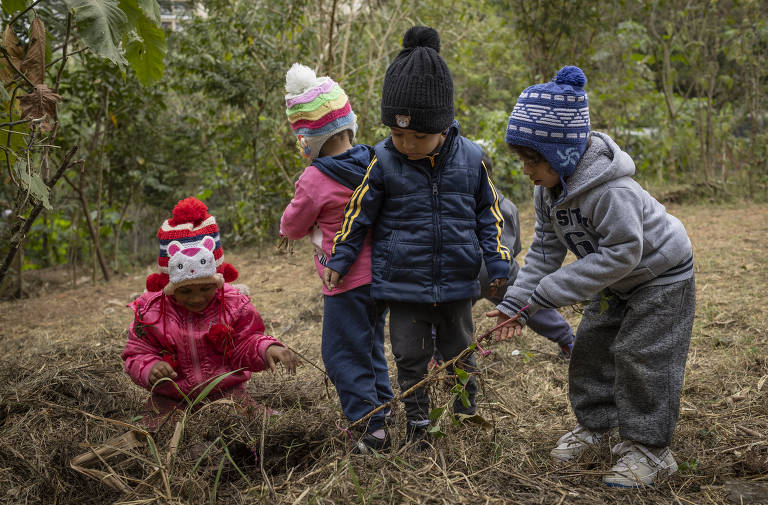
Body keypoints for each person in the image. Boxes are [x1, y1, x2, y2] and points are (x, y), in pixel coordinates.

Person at [487, 66, 695, 487]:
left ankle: (651, 450)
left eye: (534, 160)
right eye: (523, 160)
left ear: (562, 154)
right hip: (615, 281)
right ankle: (596, 426)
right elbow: (546, 251)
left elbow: (622, 252)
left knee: (643, 355)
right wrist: (517, 305)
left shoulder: (611, 192)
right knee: (592, 347)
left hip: (661, 276)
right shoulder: (547, 191)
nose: (527, 170)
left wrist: (545, 294)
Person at [323, 26, 511, 450]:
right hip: (403, 287)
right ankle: (419, 422)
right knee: (408, 357)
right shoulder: (383, 160)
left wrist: (497, 262)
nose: (405, 143)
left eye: (417, 135)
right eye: (397, 132)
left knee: (460, 353)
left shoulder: (472, 159)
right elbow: (358, 213)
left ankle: (465, 412)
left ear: (443, 125)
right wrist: (340, 259)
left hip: (458, 283)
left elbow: (490, 213)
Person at [279, 63, 393, 453]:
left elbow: (293, 225)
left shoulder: (313, 179)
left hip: (345, 283)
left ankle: (369, 427)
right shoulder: (375, 162)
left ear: (306, 139)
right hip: (381, 278)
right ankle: (384, 406)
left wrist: (290, 227)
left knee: (342, 352)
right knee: (371, 343)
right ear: (350, 125)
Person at [123, 197, 299, 429]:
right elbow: (136, 352)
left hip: (227, 395)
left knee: (259, 427)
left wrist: (267, 348)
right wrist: (150, 367)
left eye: (205, 288)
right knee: (157, 433)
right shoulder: (152, 313)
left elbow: (245, 344)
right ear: (169, 285)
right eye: (185, 291)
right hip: (170, 400)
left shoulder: (233, 305)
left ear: (217, 280)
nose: (197, 298)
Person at [476, 153, 575, 360]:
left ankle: (438, 357)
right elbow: (515, 245)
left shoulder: (454, 205)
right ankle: (567, 340)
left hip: (463, 275)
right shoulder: (505, 206)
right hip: (502, 274)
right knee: (531, 307)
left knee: (445, 315)